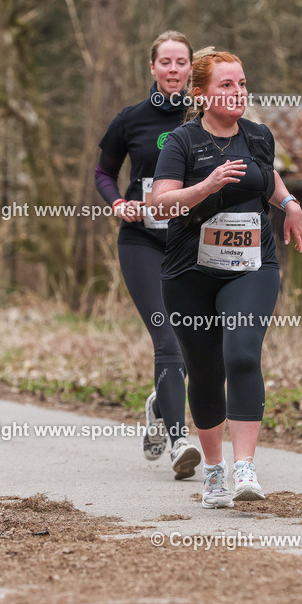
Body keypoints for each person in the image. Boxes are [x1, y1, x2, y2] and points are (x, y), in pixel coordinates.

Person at [150, 50, 302, 507]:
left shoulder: (259, 136)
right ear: (200, 94)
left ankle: (245, 468)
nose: (237, 92)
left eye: (241, 83)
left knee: (241, 354)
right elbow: (161, 203)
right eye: (225, 85)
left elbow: (267, 177)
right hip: (189, 272)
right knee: (204, 370)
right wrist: (207, 186)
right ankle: (214, 472)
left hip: (251, 266)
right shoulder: (179, 142)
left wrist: (290, 203)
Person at [94, 31, 201, 478]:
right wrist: (118, 203)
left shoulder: (205, 117)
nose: (174, 70)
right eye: (166, 62)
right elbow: (103, 171)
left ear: (192, 69)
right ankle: (180, 441)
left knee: (196, 343)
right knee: (167, 338)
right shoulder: (131, 119)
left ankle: (161, 402)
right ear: (152, 68)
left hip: (191, 241)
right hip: (141, 240)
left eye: (181, 62)